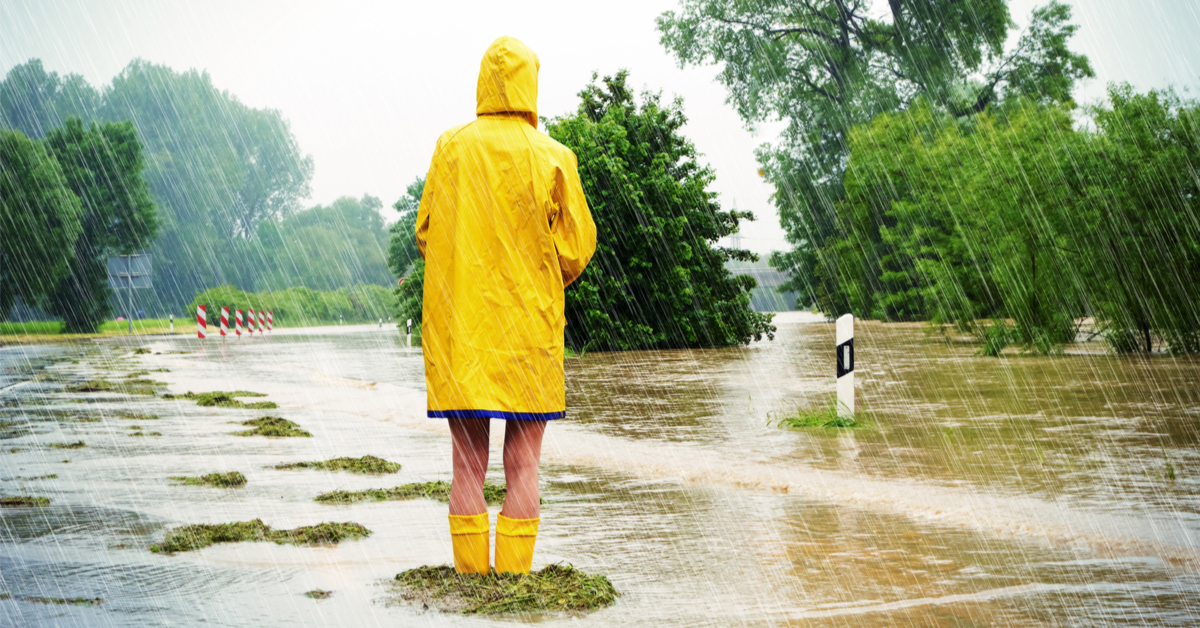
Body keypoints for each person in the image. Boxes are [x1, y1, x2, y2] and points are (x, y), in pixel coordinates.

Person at [415, 36, 596, 575]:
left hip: (463, 332)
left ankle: (471, 586)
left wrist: (466, 266)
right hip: (529, 333)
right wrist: (537, 273)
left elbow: (425, 233)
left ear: (483, 85)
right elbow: (576, 248)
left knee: (467, 465)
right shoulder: (554, 156)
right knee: (523, 464)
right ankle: (515, 584)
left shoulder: (451, 148)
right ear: (530, 85)